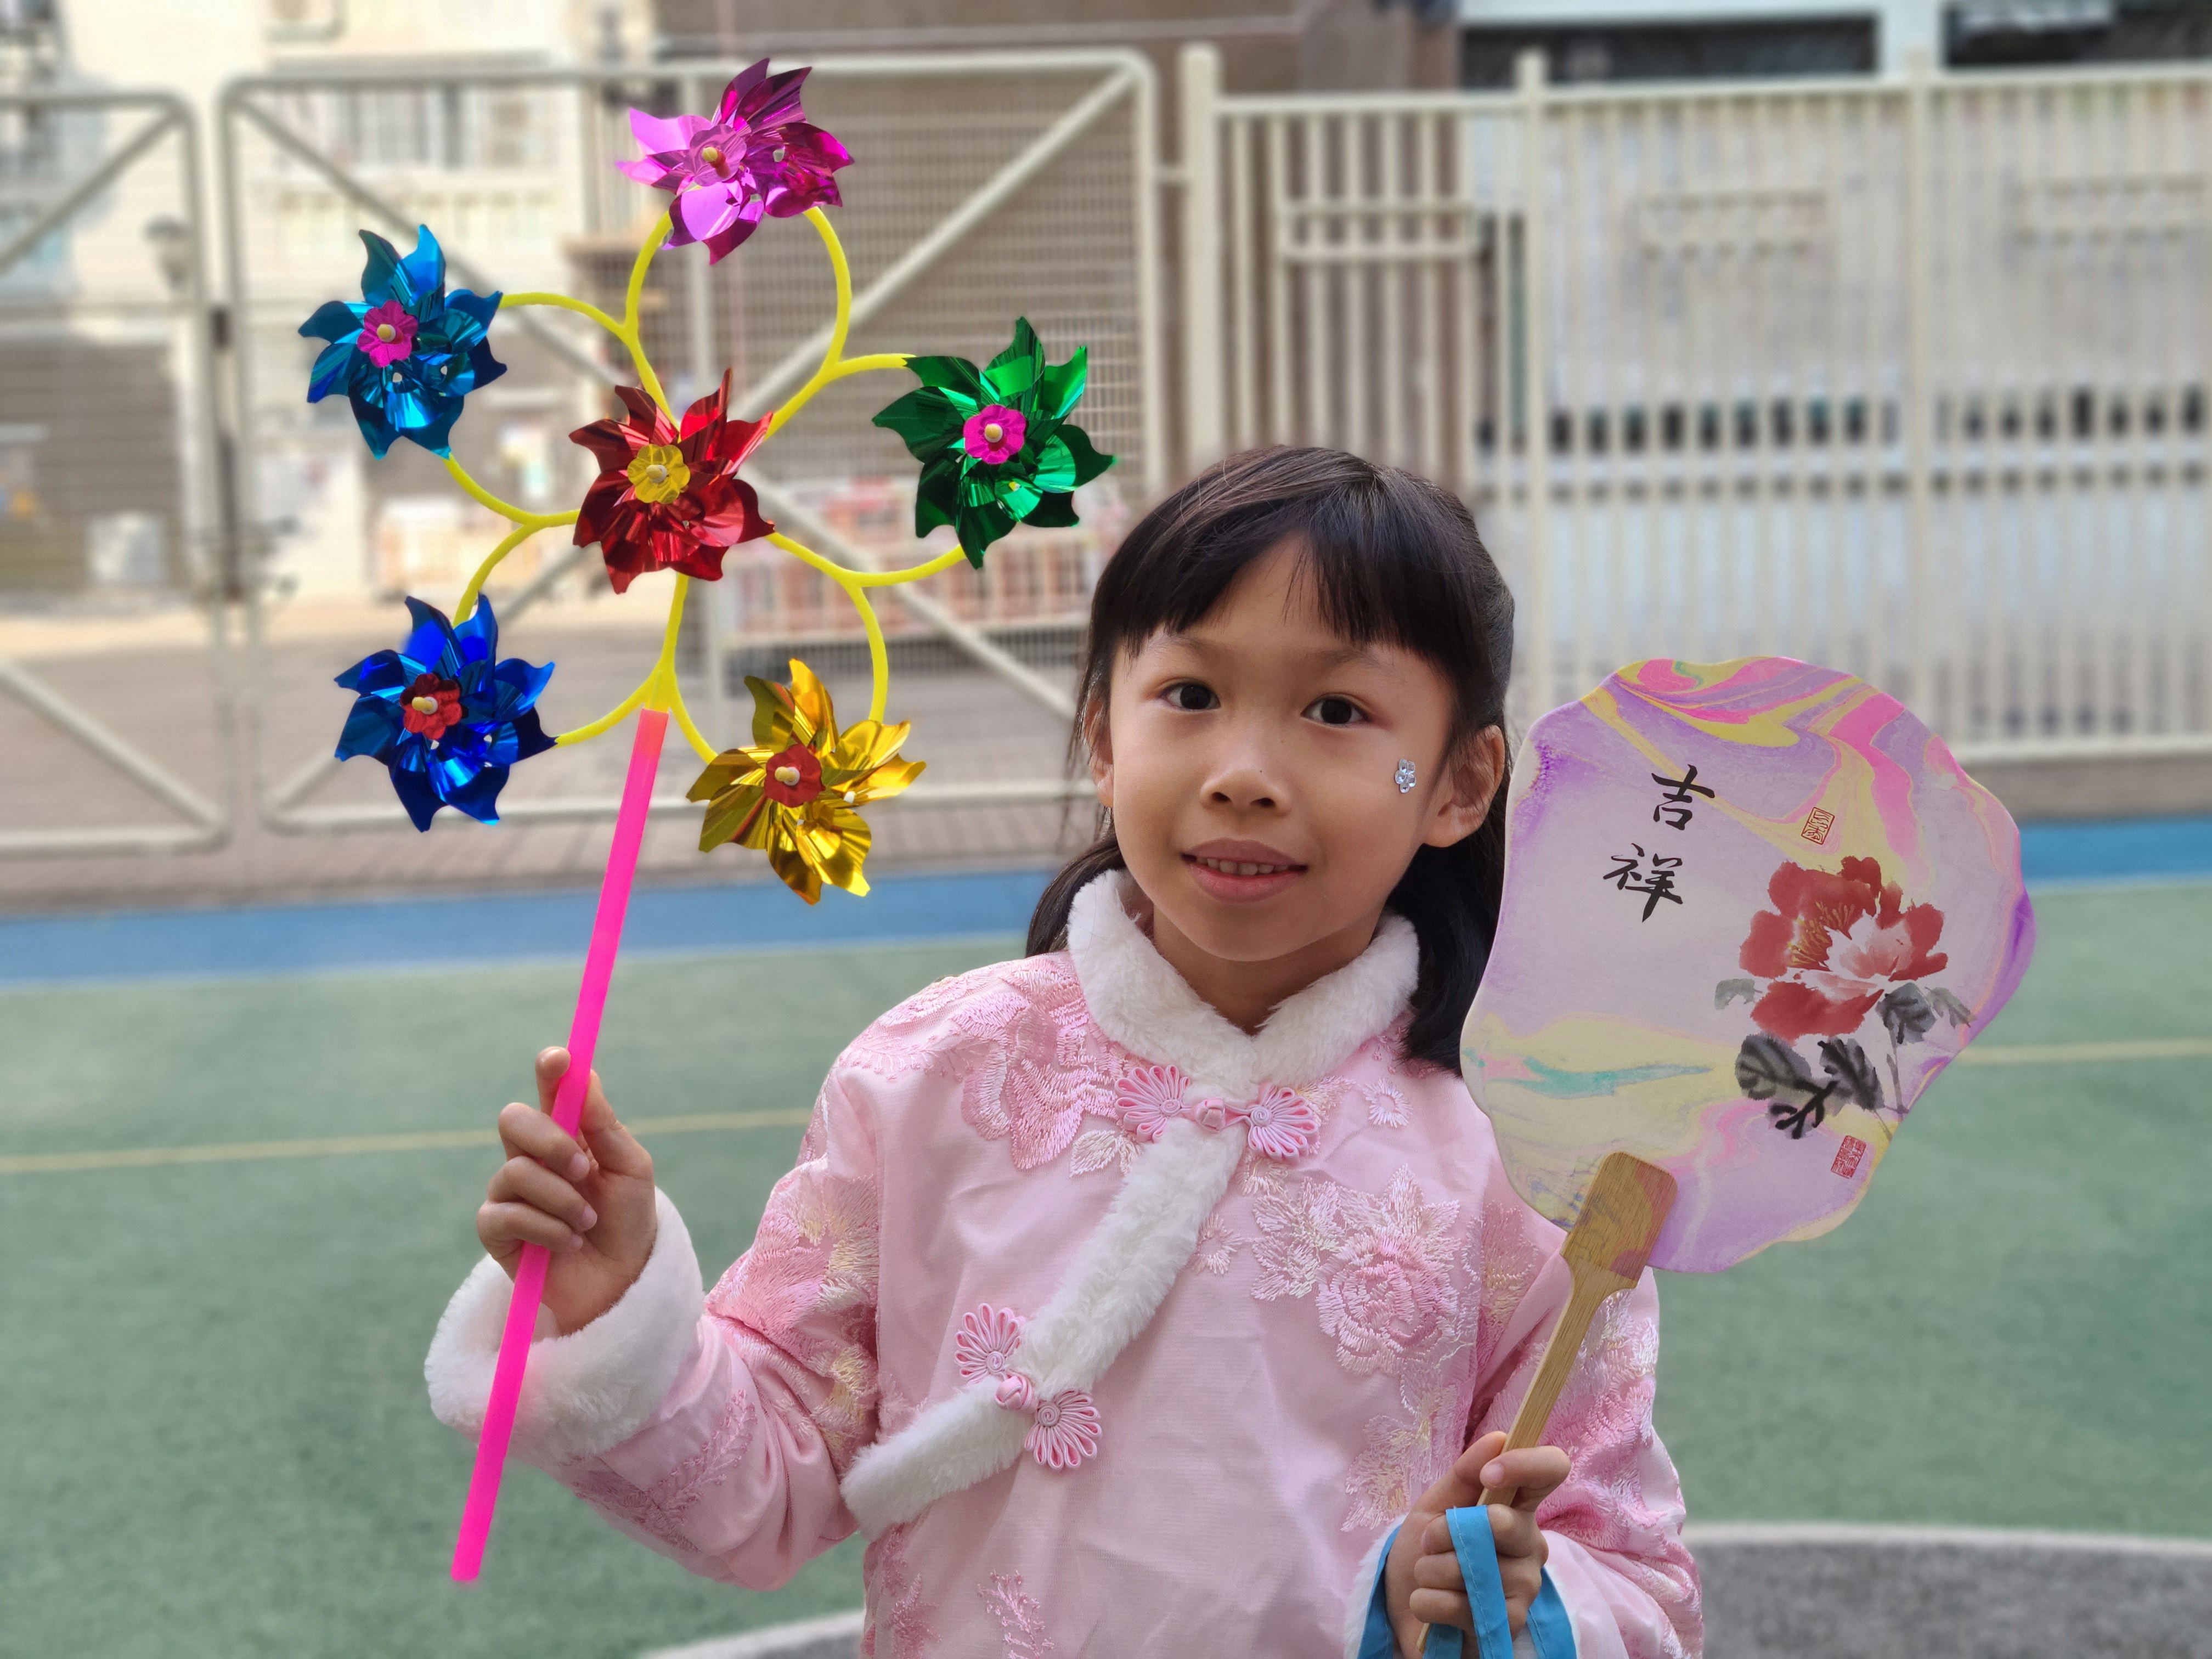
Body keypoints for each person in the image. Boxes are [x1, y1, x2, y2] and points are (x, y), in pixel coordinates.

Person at [426, 446, 1702, 1657]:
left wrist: (1509, 1602)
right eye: (1190, 696)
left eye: (1337, 710)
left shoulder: (1532, 1168)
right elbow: (764, 1486)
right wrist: (617, 1306)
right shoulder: (929, 1072)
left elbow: (1630, 1573)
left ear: (1462, 785)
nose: (1244, 772)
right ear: (1103, 736)